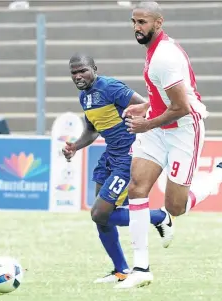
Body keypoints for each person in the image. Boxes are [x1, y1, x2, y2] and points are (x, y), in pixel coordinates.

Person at [114, 1, 222, 289]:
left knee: (176, 207)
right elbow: (164, 96)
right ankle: (141, 268)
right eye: (134, 22)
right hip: (159, 127)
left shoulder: (164, 57)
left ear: (159, 23)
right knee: (137, 188)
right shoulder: (154, 51)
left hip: (183, 129)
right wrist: (145, 107)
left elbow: (182, 107)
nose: (137, 27)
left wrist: (145, 123)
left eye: (143, 22)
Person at [62, 53, 174, 284]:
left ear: (94, 68)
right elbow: (92, 131)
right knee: (102, 219)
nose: (78, 76)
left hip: (128, 156)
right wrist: (75, 146)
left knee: (100, 213)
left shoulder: (110, 87)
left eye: (82, 70)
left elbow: (146, 106)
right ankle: (121, 271)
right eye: (74, 72)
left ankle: (158, 216)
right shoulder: (85, 97)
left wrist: (146, 139)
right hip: (110, 155)